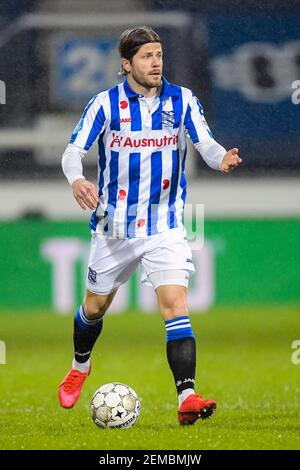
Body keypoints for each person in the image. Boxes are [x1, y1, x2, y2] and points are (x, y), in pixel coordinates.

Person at [59, 26, 242, 425]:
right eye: (146, 56)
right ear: (126, 64)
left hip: (165, 227)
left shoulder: (182, 99)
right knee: (94, 307)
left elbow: (205, 143)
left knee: (176, 306)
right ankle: (80, 364)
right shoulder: (105, 104)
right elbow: (73, 151)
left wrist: (221, 159)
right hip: (113, 229)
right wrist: (77, 179)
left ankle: (187, 397)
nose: (156, 62)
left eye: (159, 55)